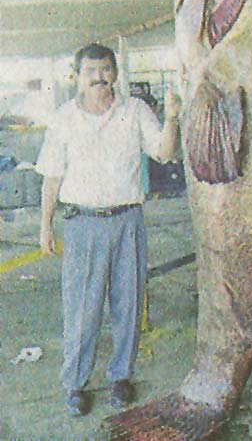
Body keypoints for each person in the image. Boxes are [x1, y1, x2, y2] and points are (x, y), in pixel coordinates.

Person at [36, 43, 180, 416]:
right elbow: (52, 178)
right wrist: (45, 227)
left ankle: (120, 377)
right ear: (77, 78)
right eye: (91, 72)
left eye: (105, 70)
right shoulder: (64, 118)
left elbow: (164, 152)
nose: (99, 78)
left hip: (128, 221)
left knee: (127, 305)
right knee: (81, 311)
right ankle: (75, 384)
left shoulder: (135, 111)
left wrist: (175, 117)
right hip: (83, 224)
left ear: (115, 73)